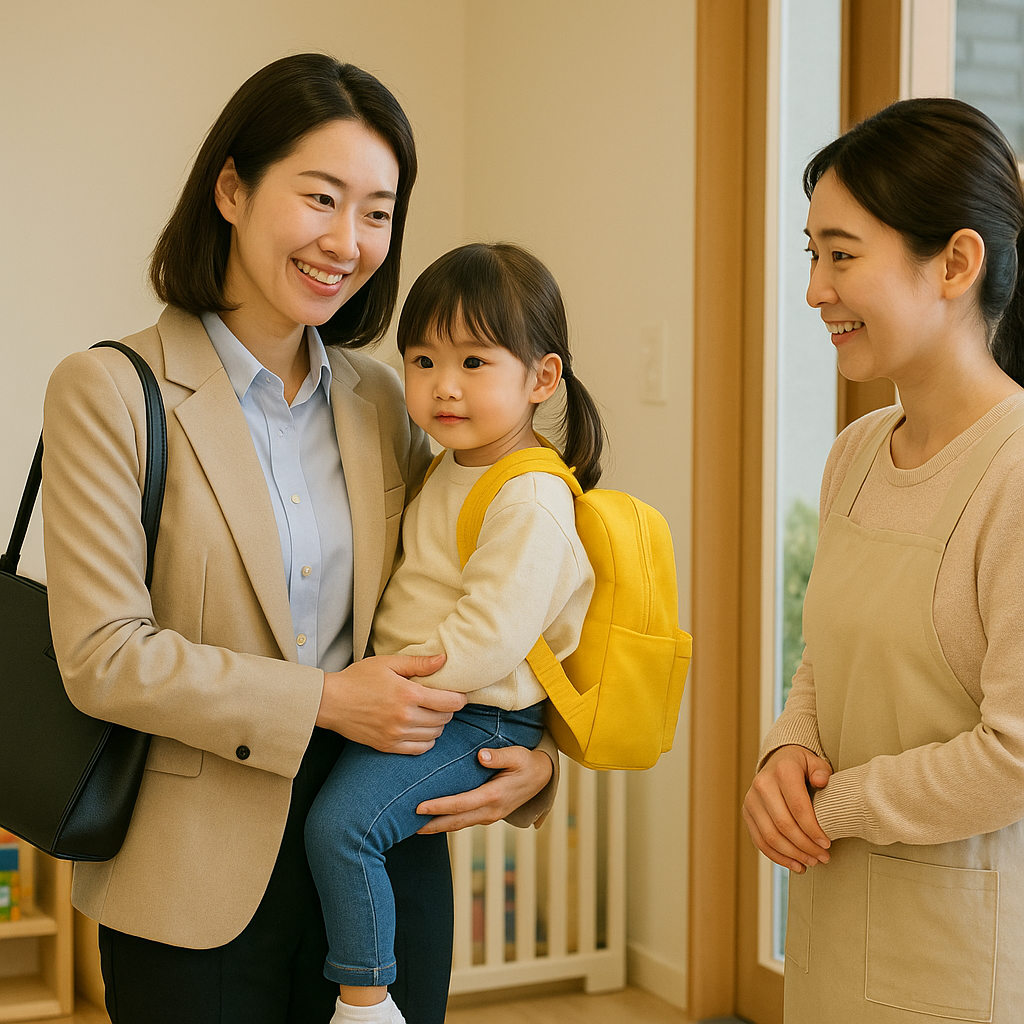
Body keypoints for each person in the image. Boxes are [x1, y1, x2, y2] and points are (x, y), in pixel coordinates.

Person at [40, 55, 559, 1024]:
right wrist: (324, 699)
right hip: (191, 882)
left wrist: (538, 760)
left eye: (376, 210)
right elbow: (102, 656)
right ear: (231, 188)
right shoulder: (110, 391)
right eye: (321, 198)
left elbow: (496, 569)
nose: (347, 240)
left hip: (381, 855)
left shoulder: (386, 399)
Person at [742, 97, 1024, 1023]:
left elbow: (1016, 755)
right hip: (832, 932)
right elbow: (834, 650)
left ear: (954, 262)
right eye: (810, 254)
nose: (815, 288)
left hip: (960, 959)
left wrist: (834, 809)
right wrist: (790, 745)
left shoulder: (1015, 472)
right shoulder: (856, 451)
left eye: (842, 254)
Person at [303, 242, 605, 1024]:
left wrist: (390, 687)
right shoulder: (452, 463)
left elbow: (489, 636)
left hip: (472, 709)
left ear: (541, 378)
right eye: (424, 359)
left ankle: (366, 999)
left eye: (474, 362)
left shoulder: (531, 495)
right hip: (435, 697)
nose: (443, 385)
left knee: (344, 829)